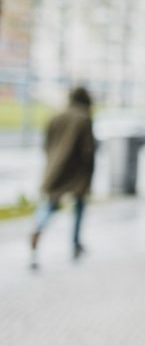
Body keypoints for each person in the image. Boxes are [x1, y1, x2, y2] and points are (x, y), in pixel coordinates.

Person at [29, 85, 96, 269]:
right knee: (79, 206)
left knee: (50, 204)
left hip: (55, 169)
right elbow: (87, 149)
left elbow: (46, 145)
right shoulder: (84, 118)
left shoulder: (55, 117)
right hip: (76, 172)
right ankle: (75, 243)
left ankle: (38, 227)